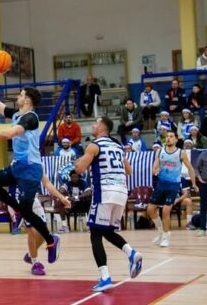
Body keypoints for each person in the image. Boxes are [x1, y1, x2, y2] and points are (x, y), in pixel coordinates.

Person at [0, 70, 60, 264]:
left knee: (27, 211)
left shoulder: (30, 118)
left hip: (31, 169)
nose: (18, 97)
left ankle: (51, 241)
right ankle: (18, 211)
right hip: (18, 167)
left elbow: (9, 134)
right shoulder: (17, 114)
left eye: (21, 94)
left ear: (27, 100)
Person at [74, 117, 143, 292]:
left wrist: (76, 162)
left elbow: (79, 169)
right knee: (107, 231)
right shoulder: (118, 146)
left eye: (95, 123)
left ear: (102, 127)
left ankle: (105, 277)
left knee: (95, 234)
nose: (92, 125)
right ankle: (131, 253)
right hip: (121, 192)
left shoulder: (94, 145)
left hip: (104, 192)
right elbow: (129, 170)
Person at [147, 131, 198, 247]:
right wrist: (155, 171)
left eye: (171, 136)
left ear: (176, 140)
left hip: (173, 185)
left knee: (166, 210)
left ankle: (166, 236)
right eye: (167, 136)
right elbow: (155, 167)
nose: (168, 138)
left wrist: (194, 183)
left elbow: (190, 168)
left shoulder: (181, 153)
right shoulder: (160, 151)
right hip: (161, 184)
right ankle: (161, 232)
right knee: (150, 209)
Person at [21, 173, 71, 275]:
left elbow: (47, 184)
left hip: (34, 200)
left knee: (43, 232)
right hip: (21, 201)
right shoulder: (17, 165)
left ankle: (30, 255)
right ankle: (35, 263)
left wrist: (61, 197)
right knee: (31, 231)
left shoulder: (38, 166)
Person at [55, 168, 91, 233]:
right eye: (72, 177)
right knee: (60, 201)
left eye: (76, 177)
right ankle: (64, 226)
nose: (74, 179)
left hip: (81, 204)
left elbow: (89, 192)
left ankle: (89, 225)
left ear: (79, 177)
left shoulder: (83, 183)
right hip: (71, 204)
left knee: (89, 200)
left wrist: (77, 197)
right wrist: (67, 197)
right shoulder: (68, 183)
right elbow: (61, 191)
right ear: (70, 178)